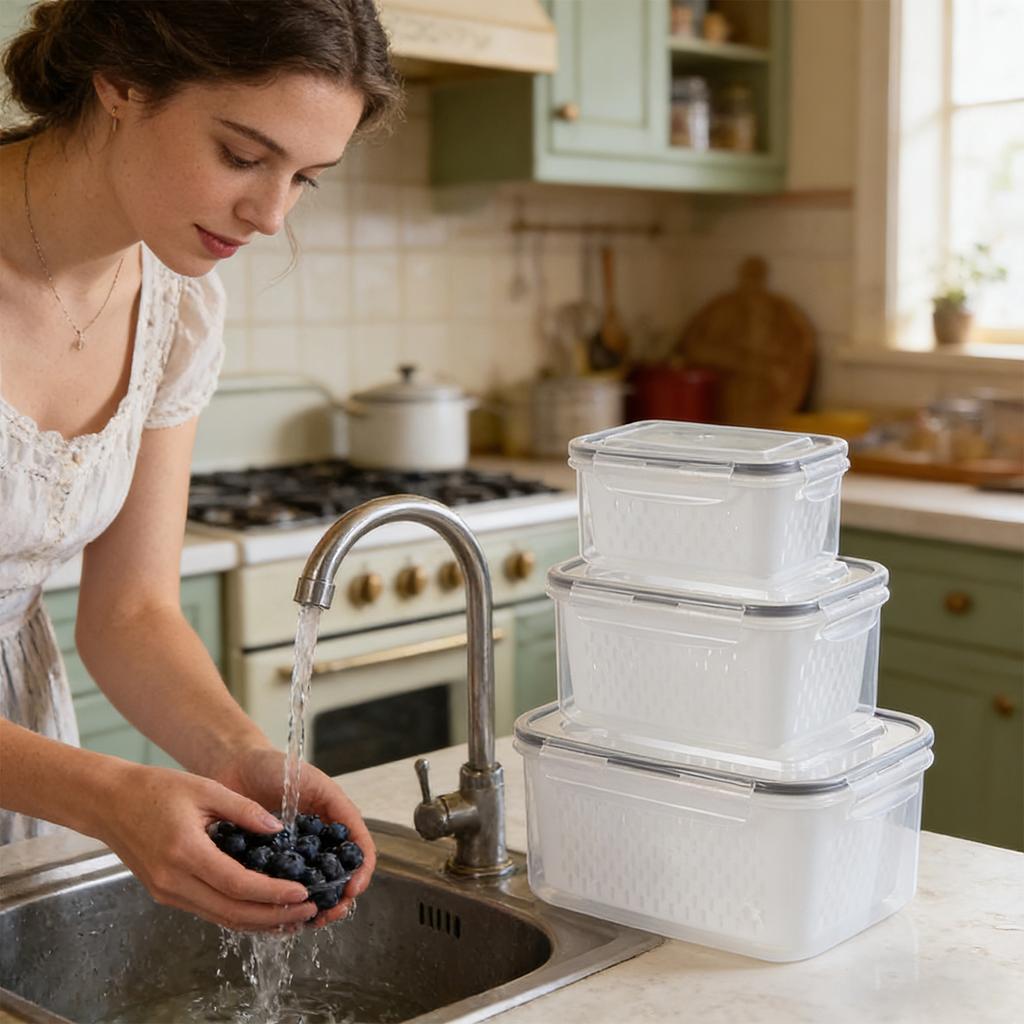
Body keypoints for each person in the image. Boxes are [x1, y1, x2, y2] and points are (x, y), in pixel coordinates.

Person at [0, 0, 402, 933]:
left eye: (306, 177)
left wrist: (242, 754)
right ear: (122, 82)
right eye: (241, 155)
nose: (269, 215)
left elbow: (132, 610)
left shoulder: (176, 309)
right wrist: (108, 796)